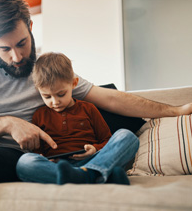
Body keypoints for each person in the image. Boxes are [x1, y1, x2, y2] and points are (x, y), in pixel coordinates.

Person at [0, 0, 191, 211]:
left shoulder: (47, 70)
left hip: (12, 156)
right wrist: (9, 123)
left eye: (21, 43)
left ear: (30, 27)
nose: (17, 57)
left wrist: (175, 110)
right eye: (4, 48)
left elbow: (111, 98)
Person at [16, 52, 139, 185]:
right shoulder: (39, 115)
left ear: (74, 83)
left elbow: (106, 140)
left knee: (127, 136)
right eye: (47, 97)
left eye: (61, 94)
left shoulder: (88, 108)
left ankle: (86, 173)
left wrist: (95, 149)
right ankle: (97, 175)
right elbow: (38, 150)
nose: (55, 102)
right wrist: (45, 159)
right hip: (59, 167)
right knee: (25, 162)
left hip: (92, 160)